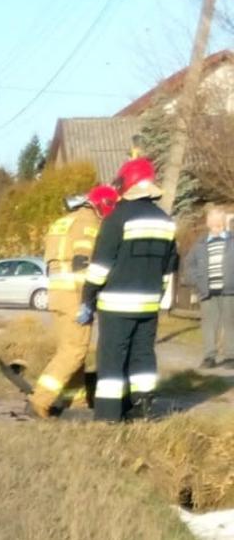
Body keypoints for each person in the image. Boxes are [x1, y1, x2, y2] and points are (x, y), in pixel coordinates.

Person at [82, 157, 180, 422]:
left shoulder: (117, 218)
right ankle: (144, 408)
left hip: (116, 305)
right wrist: (158, 295)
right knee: (143, 356)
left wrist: (88, 296)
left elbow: (101, 265)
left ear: (127, 183)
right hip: (149, 304)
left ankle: (108, 414)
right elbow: (169, 266)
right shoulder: (166, 221)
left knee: (112, 358)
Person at [28, 184, 114, 418]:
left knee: (70, 349)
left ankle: (75, 399)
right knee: (75, 350)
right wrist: (88, 299)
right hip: (75, 295)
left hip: (57, 294)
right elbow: (82, 262)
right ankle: (40, 399)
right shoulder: (89, 224)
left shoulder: (64, 221)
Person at [185, 206, 233, 368]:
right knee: (209, 324)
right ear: (208, 224)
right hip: (207, 290)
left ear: (224, 224)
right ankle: (209, 357)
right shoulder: (200, 244)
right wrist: (197, 281)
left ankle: (230, 357)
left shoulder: (232, 241)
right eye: (213, 225)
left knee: (230, 323)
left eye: (219, 225)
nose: (216, 229)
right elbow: (189, 264)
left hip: (230, 290)